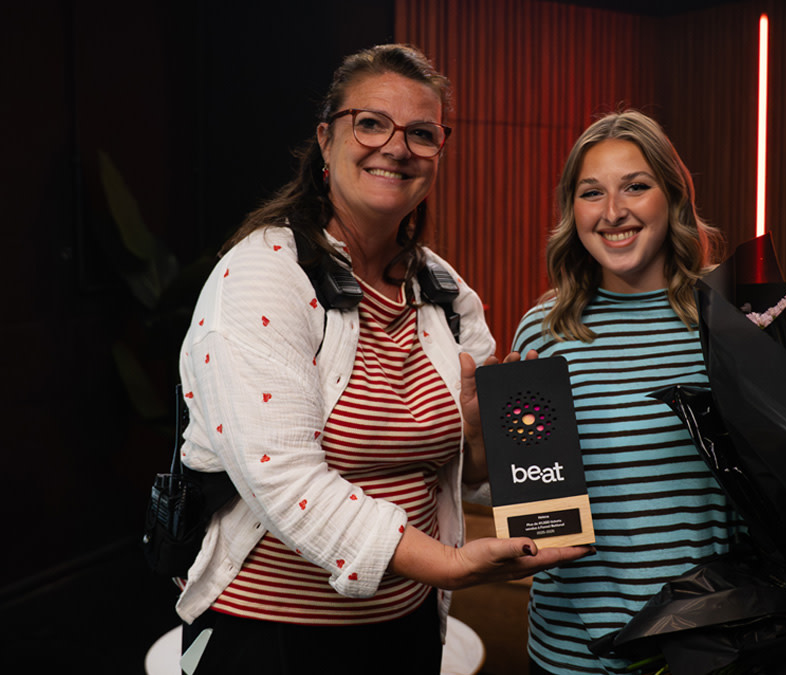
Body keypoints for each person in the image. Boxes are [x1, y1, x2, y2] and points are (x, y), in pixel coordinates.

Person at [174, 43, 586, 674]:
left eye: (422, 133)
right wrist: (449, 564)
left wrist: (479, 435)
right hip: (269, 637)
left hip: (407, 628)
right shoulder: (262, 275)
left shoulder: (444, 292)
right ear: (326, 138)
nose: (396, 147)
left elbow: (470, 473)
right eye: (371, 122)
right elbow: (284, 479)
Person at [511, 110, 786, 674]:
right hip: (572, 655)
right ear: (572, 212)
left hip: (720, 652)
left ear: (673, 199)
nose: (613, 211)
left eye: (636, 187)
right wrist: (483, 438)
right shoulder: (543, 332)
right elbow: (527, 500)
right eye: (590, 192)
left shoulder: (740, 320)